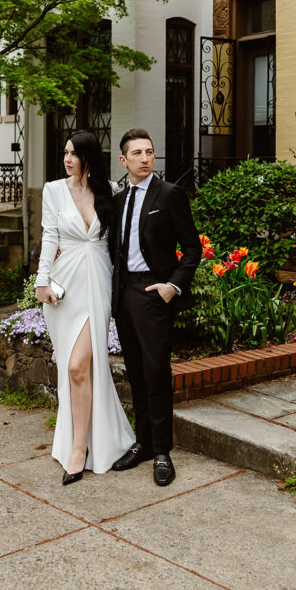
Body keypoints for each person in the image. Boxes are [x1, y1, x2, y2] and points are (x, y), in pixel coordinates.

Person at [35, 130, 135, 485]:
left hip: (98, 283)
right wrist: (41, 281)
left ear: (88, 157)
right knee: (75, 368)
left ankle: (80, 449)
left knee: (80, 366)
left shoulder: (109, 190)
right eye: (65, 153)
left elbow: (121, 243)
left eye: (74, 154)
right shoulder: (53, 190)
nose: (67, 159)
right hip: (65, 286)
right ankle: (80, 444)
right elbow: (49, 236)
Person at [111, 128, 202, 486]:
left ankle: (163, 451)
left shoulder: (169, 194)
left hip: (153, 292)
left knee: (156, 372)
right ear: (124, 160)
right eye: (137, 153)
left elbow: (192, 248)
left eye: (149, 152)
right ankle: (143, 443)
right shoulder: (118, 201)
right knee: (134, 371)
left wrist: (172, 287)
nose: (145, 158)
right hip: (125, 294)